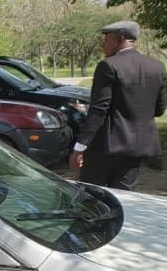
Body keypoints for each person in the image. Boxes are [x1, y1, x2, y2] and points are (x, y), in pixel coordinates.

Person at [69, 20, 166, 190]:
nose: (102, 45)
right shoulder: (157, 67)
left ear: (119, 39)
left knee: (91, 200)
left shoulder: (108, 66)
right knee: (122, 201)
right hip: (136, 149)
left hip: (105, 148)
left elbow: (99, 111)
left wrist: (79, 148)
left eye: (106, 40)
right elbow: (158, 110)